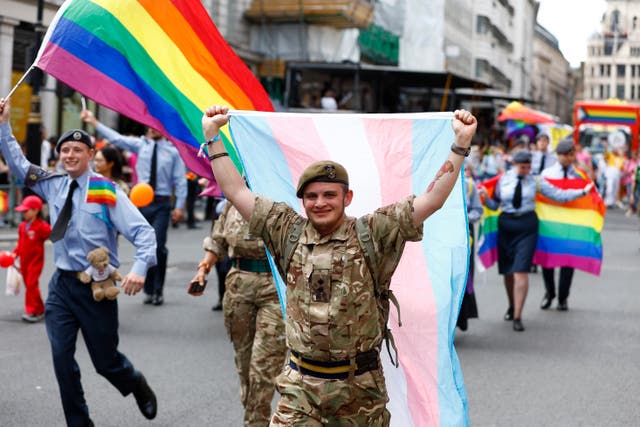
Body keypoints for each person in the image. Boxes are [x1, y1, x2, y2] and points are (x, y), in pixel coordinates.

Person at [201, 105, 477, 425]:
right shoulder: (285, 229)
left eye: (329, 195)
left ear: (347, 197)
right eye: (312, 196)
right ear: (302, 200)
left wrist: (460, 146)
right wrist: (212, 137)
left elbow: (431, 200)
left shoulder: (373, 231)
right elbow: (235, 191)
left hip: (359, 390)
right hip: (300, 387)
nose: (320, 203)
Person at [0, 98, 158, 426]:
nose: (70, 155)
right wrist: (3, 125)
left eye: (77, 150)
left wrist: (139, 270)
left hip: (97, 286)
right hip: (62, 286)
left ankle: (135, 383)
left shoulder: (105, 191)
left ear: (90, 155)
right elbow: (18, 165)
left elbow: (144, 234)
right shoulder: (53, 184)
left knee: (106, 362)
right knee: (61, 359)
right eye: (65, 150)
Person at [190, 200, 286, 426]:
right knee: (245, 366)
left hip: (275, 287)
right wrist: (202, 270)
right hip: (238, 288)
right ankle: (255, 414)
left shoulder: (280, 197)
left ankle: (255, 422)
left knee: (264, 369)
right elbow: (217, 241)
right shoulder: (232, 202)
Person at [479, 150, 593, 331]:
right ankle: (511, 305)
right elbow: (495, 204)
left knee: (520, 270)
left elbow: (558, 194)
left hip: (527, 226)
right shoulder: (503, 180)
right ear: (514, 165)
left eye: (527, 167)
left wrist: (581, 192)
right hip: (507, 225)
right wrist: (485, 199)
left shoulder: (536, 180)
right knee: (508, 271)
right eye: (522, 167)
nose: (525, 170)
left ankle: (517, 315)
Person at [81, 109, 186, 306]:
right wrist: (94, 122)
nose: (153, 129)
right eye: (150, 125)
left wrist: (179, 206)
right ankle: (147, 287)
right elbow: (117, 138)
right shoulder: (140, 146)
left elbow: (180, 181)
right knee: (145, 245)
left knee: (160, 245)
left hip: (162, 203)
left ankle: (158, 290)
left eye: (157, 126)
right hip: (141, 203)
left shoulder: (173, 152)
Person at [539, 140, 592, 311]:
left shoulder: (579, 176)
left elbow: (588, 199)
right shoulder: (546, 174)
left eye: (571, 154)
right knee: (547, 260)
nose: (569, 158)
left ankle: (563, 297)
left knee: (568, 261)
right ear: (558, 155)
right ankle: (550, 293)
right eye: (565, 155)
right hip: (550, 224)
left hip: (571, 225)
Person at [12, 195, 51, 322]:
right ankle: (40, 308)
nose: (23, 213)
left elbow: (54, 235)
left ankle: (32, 311)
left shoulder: (42, 226)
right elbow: (20, 243)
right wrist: (14, 254)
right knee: (30, 285)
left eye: (26, 211)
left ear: (35, 210)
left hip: (35, 261)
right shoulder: (22, 226)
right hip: (24, 261)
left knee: (31, 284)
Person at [457, 163, 483, 331]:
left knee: (465, 274)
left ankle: (463, 313)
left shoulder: (469, 186)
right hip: (445, 233)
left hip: (465, 233)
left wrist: (465, 218)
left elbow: (477, 210)